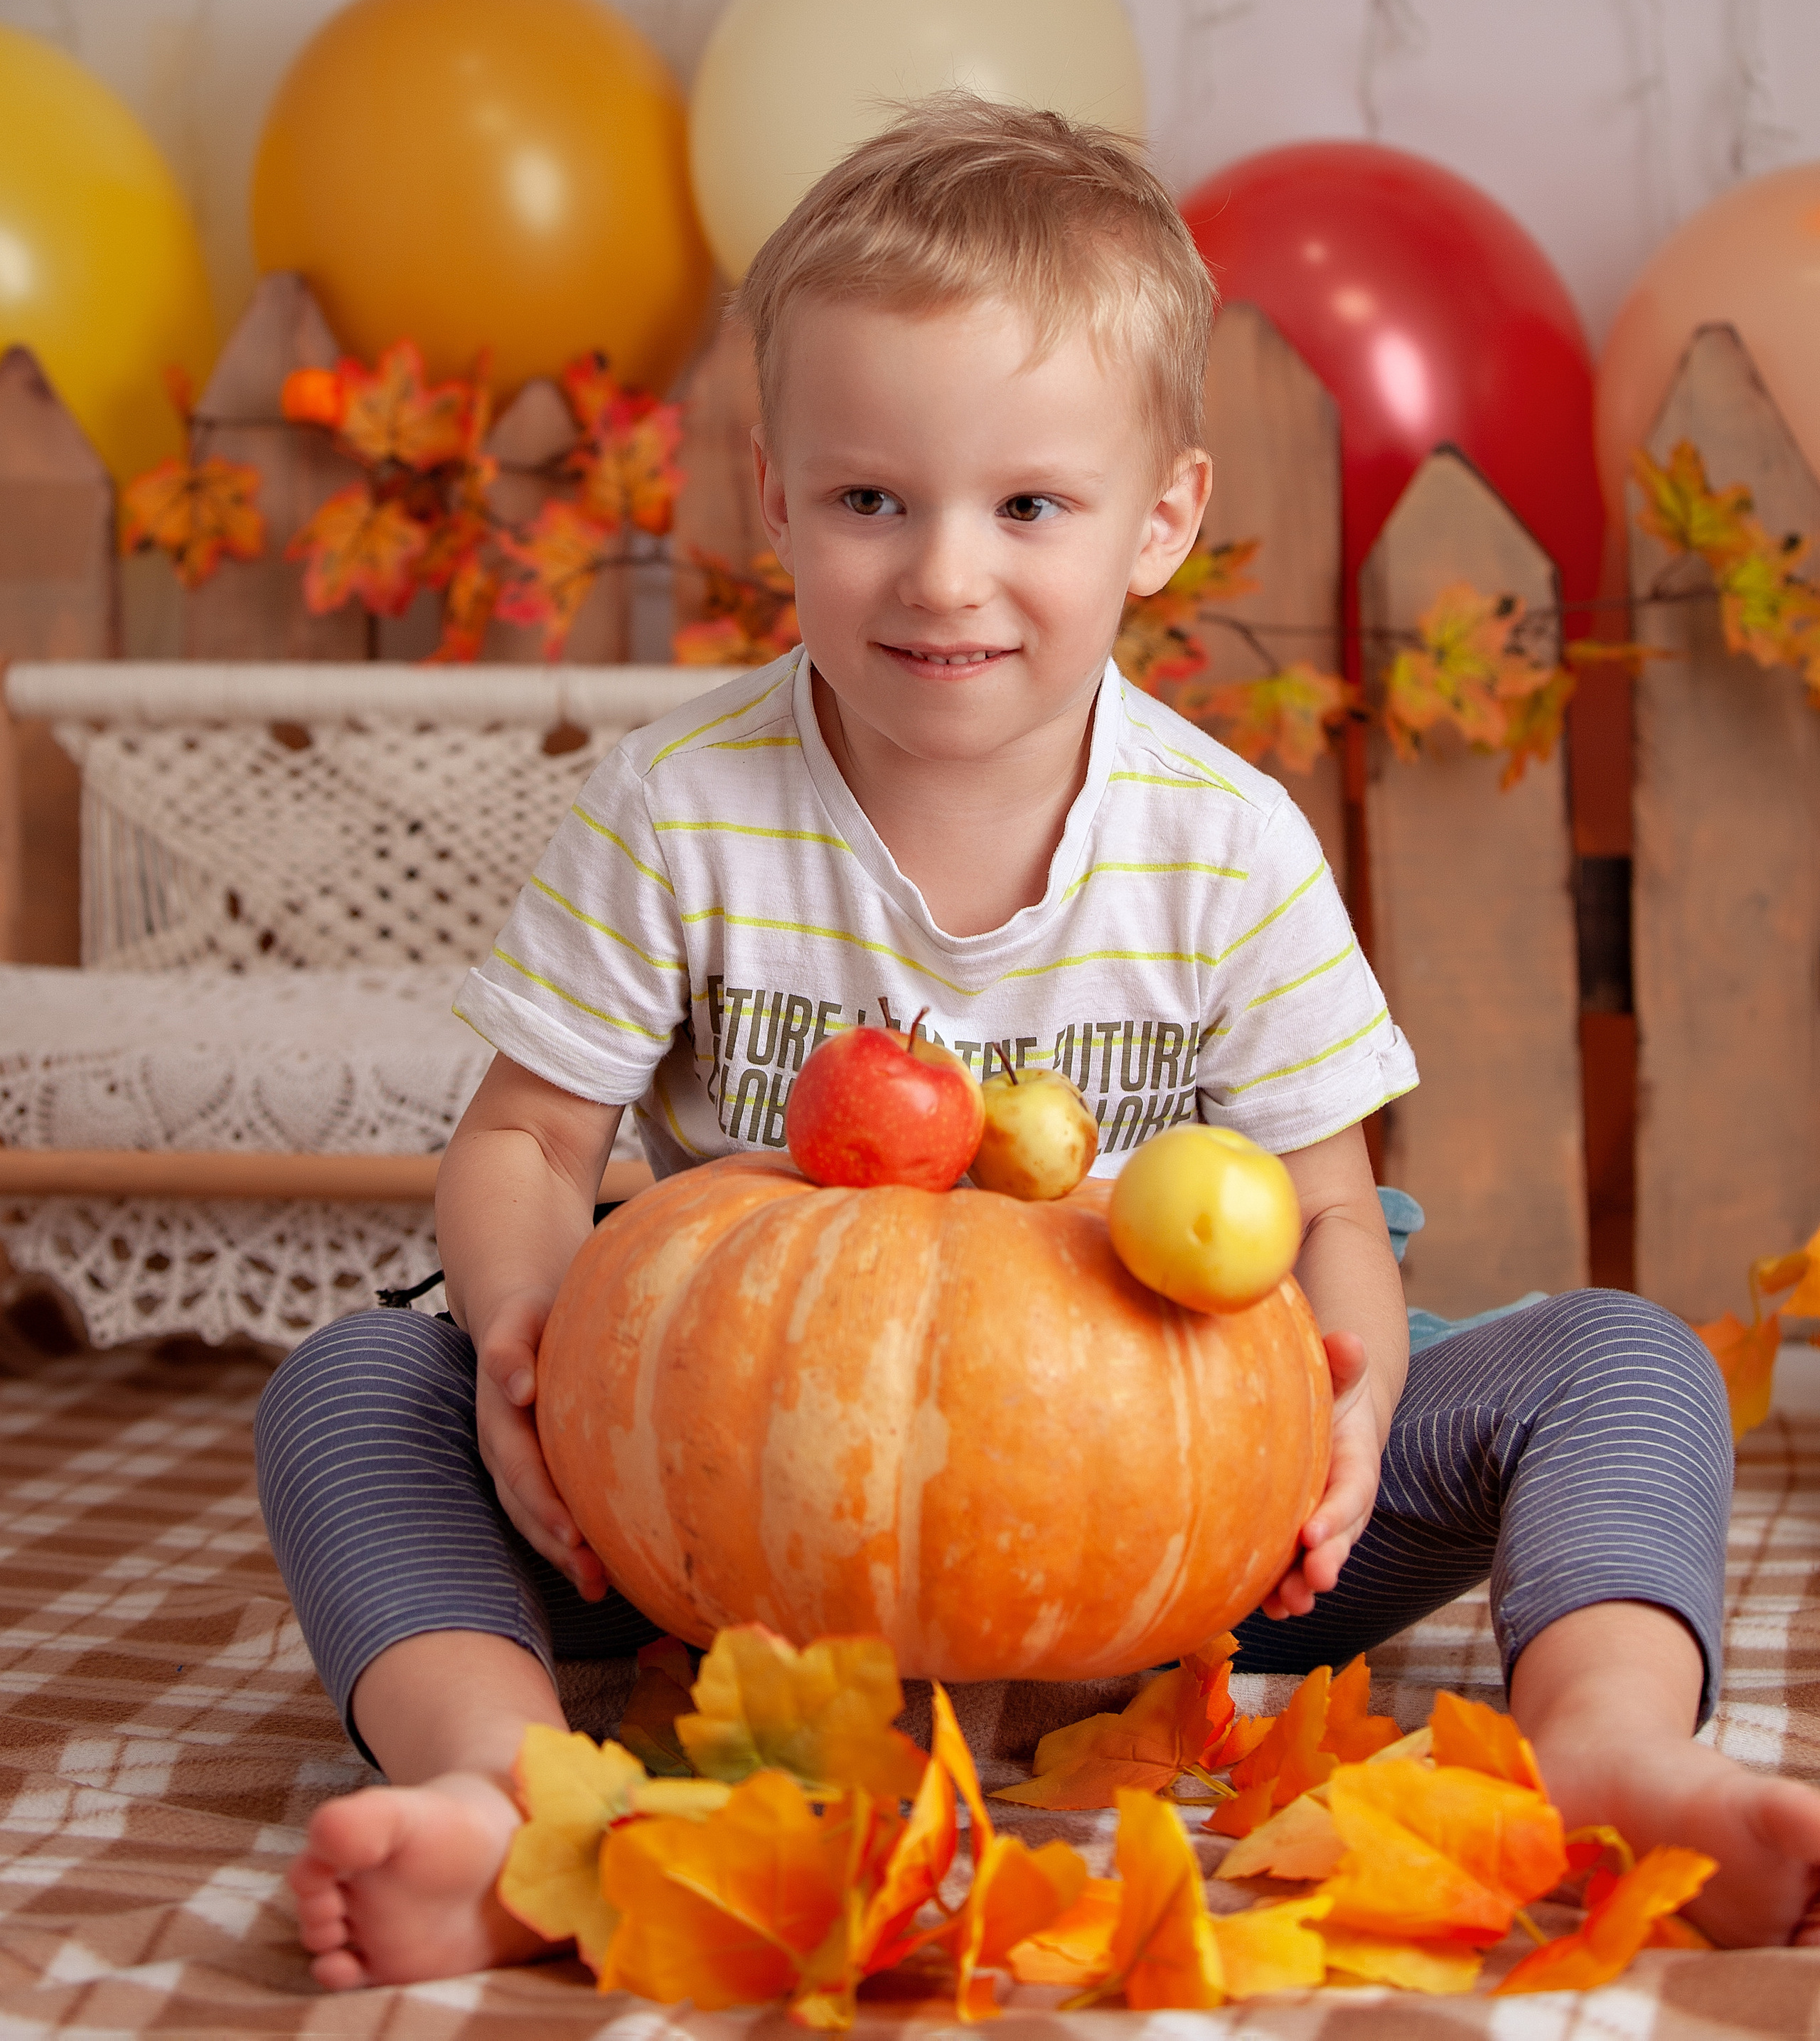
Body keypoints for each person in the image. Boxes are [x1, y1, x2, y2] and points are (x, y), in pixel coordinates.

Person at [257, 98, 1820, 1992]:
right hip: (739, 1528)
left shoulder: (1225, 839)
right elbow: (523, 1142)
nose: (943, 575)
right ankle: (502, 1791)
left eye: (1027, 506)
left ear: (1159, 517)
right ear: (776, 498)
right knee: (354, 1385)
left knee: (1622, 1359)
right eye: (871, 501)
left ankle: (1607, 1741)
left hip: (1187, 1540)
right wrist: (514, 1326)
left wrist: (1349, 1402)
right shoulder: (678, 809)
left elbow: (1334, 1206)